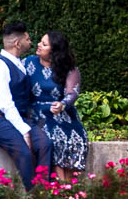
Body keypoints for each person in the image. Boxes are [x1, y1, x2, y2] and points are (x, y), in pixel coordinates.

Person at [0, 20, 51, 188]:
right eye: (27, 39)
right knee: (24, 152)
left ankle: (44, 192)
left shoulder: (21, 64)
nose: (31, 42)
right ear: (18, 43)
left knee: (44, 144)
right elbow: (5, 104)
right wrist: (25, 132)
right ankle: (33, 198)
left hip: (16, 120)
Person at [24, 30, 91, 182]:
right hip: (36, 112)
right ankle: (62, 186)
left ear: (54, 51)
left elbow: (72, 93)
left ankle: (70, 185)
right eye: (40, 42)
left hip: (61, 112)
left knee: (77, 138)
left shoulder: (69, 69)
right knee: (53, 139)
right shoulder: (28, 63)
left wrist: (62, 104)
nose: (38, 45)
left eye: (44, 44)